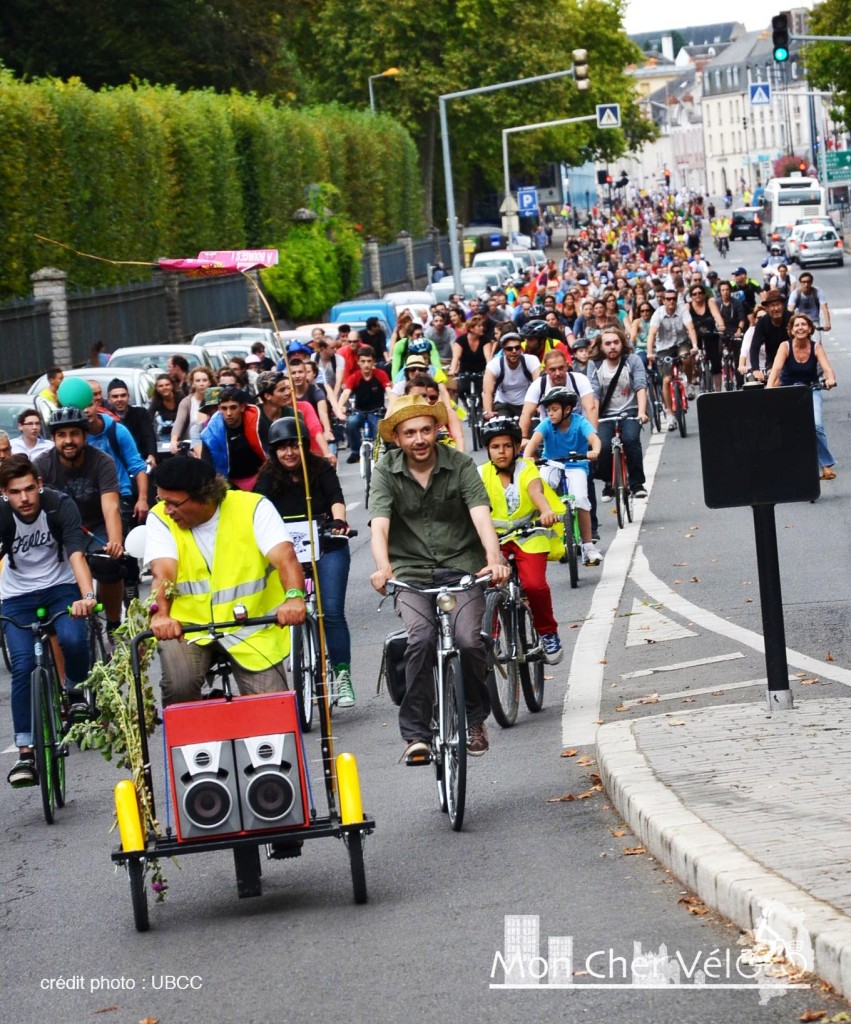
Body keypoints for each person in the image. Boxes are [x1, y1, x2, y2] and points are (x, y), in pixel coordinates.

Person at [369, 395, 509, 761]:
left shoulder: (461, 464)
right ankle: (415, 734)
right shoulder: (386, 470)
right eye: (410, 432)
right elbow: (379, 526)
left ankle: (475, 718)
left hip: (462, 566)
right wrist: (383, 567)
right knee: (421, 639)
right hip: (410, 572)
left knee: (467, 640)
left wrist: (494, 560)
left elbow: (481, 517)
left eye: (425, 430)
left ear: (437, 431)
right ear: (397, 438)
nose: (419, 439)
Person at [146, 456, 306, 706]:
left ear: (204, 496)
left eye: (173, 503)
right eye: (162, 501)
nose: (167, 510)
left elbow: (285, 558)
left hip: (250, 627)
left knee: (274, 709)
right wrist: (160, 614)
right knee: (179, 686)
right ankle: (192, 743)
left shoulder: (254, 508)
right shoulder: (160, 518)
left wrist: (294, 597)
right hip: (188, 629)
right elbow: (162, 572)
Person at [1, 455, 97, 788]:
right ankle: (26, 754)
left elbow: (75, 554)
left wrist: (87, 597)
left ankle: (74, 693)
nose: (24, 498)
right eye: (15, 492)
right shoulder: (2, 515)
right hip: (17, 597)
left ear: (39, 485)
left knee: (72, 638)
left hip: (60, 588)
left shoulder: (59, 506)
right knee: (24, 665)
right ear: (5, 493)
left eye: (30, 489)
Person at [254, 416, 356, 706]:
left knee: (332, 611)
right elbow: (258, 510)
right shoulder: (266, 477)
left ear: (304, 445)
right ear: (273, 451)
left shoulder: (320, 467)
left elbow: (336, 497)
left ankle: (343, 675)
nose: (289, 453)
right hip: (285, 551)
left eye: (294, 445)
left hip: (326, 543)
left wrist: (338, 521)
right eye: (282, 448)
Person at [34, 407, 126, 637]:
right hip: (58, 531)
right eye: (61, 435)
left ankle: (114, 623)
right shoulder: (41, 466)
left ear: (85, 436)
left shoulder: (102, 461)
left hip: (95, 526)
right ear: (53, 439)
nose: (68, 441)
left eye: (74, 434)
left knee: (109, 564)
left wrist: (115, 541)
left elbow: (111, 505)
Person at [479, 418, 564, 663]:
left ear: (517, 447)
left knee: (535, 585)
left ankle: (548, 633)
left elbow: (535, 490)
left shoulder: (526, 469)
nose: (501, 451)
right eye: (495, 447)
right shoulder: (481, 474)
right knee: (488, 584)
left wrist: (546, 511)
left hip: (529, 536)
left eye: (507, 446)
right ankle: (490, 637)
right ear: (488, 450)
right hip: (496, 540)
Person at [523, 388, 602, 565]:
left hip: (577, 464)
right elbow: (534, 441)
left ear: (567, 410)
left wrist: (594, 451)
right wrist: (527, 458)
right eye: (548, 410)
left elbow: (594, 439)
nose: (550, 413)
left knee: (581, 499)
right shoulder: (546, 425)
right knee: (541, 489)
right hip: (551, 463)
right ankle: (545, 534)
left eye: (554, 409)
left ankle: (588, 546)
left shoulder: (580, 422)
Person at [766, 312, 837, 480]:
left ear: (810, 329)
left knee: (817, 425)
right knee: (783, 428)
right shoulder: (785, 347)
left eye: (804, 325)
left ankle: (825, 465)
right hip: (788, 392)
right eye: (797, 325)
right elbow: (776, 370)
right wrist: (769, 386)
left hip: (810, 390)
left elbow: (827, 369)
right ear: (791, 330)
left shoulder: (816, 347)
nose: (800, 328)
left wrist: (830, 379)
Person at [588, 327, 649, 500]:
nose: (612, 346)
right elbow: (594, 394)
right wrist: (593, 424)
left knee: (631, 440)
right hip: (605, 414)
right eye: (608, 343)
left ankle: (637, 484)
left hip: (630, 412)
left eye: (616, 342)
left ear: (622, 343)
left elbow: (640, 386)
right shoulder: (595, 365)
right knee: (604, 446)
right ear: (601, 347)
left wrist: (642, 413)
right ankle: (609, 482)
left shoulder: (633, 360)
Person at [646, 289, 698, 431]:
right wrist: (650, 352)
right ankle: (670, 414)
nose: (671, 301)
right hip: (664, 348)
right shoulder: (658, 314)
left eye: (674, 298)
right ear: (663, 300)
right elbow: (652, 334)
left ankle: (688, 383)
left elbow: (691, 328)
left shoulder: (682, 310)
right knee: (667, 380)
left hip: (681, 343)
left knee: (687, 358)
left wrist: (694, 346)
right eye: (668, 299)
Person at [199, 386, 266, 490]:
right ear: (219, 409)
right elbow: (207, 468)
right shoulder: (211, 434)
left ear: (242, 407)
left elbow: (270, 455)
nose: (229, 413)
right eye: (224, 408)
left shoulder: (258, 424)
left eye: (233, 407)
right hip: (227, 484)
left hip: (260, 480)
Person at [338, 347, 391, 463]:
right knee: (351, 423)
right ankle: (355, 452)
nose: (366, 365)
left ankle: (379, 454)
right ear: (358, 362)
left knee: (379, 432)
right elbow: (346, 393)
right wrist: (339, 407)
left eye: (369, 361)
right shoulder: (354, 377)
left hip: (377, 411)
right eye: (363, 361)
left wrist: (393, 404)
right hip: (359, 411)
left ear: (373, 362)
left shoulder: (380, 374)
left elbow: (389, 390)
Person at [482, 333, 541, 419]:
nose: (514, 351)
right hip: (503, 405)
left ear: (521, 349)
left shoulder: (531, 360)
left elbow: (539, 384)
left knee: (531, 427)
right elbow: (487, 392)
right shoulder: (494, 364)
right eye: (509, 349)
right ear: (504, 351)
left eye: (517, 348)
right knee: (503, 428)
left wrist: (539, 406)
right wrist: (488, 411)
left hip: (527, 404)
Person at [105, 378, 157, 467]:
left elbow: (149, 435)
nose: (120, 399)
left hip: (141, 461)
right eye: (115, 396)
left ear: (128, 397)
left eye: (123, 395)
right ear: (109, 399)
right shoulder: (106, 417)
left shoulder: (140, 413)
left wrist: (151, 455)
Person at [747, 290, 792, 381]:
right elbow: (754, 347)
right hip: (773, 361)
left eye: (778, 305)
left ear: (783, 306)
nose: (776, 309)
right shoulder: (762, 323)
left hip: (793, 359)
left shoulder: (792, 319)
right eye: (772, 305)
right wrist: (755, 369)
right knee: (773, 379)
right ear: (766, 308)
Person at [170, 366, 214, 451]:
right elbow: (179, 423)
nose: (201, 384)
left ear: (209, 382)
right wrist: (173, 441)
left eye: (204, 380)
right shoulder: (187, 402)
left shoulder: (215, 400)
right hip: (191, 447)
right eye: (197, 381)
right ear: (192, 383)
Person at [148, 373, 181, 455]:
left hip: (182, 433)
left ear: (172, 386)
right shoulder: (156, 401)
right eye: (161, 386)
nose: (164, 388)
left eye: (167, 385)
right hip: (165, 434)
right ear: (157, 388)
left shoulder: (180, 397)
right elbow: (149, 419)